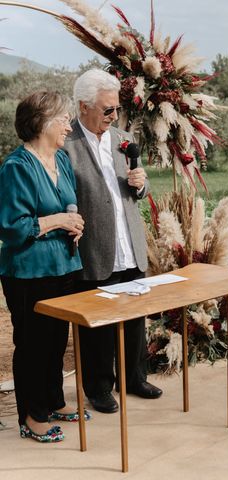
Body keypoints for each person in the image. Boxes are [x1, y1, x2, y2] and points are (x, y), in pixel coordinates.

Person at [64, 69, 162, 414]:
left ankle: (134, 378)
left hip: (129, 245)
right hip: (94, 250)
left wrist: (141, 183)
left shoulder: (122, 138)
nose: (114, 116)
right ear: (83, 106)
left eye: (116, 109)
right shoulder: (66, 144)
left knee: (136, 318)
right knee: (98, 327)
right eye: (107, 110)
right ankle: (99, 387)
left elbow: (138, 191)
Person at [0, 91, 88, 442]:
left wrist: (74, 219)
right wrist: (57, 220)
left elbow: (69, 198)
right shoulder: (16, 167)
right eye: (64, 118)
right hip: (28, 272)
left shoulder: (62, 159)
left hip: (64, 266)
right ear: (43, 123)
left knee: (56, 341)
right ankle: (31, 416)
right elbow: (13, 227)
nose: (69, 124)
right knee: (33, 344)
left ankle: (53, 401)